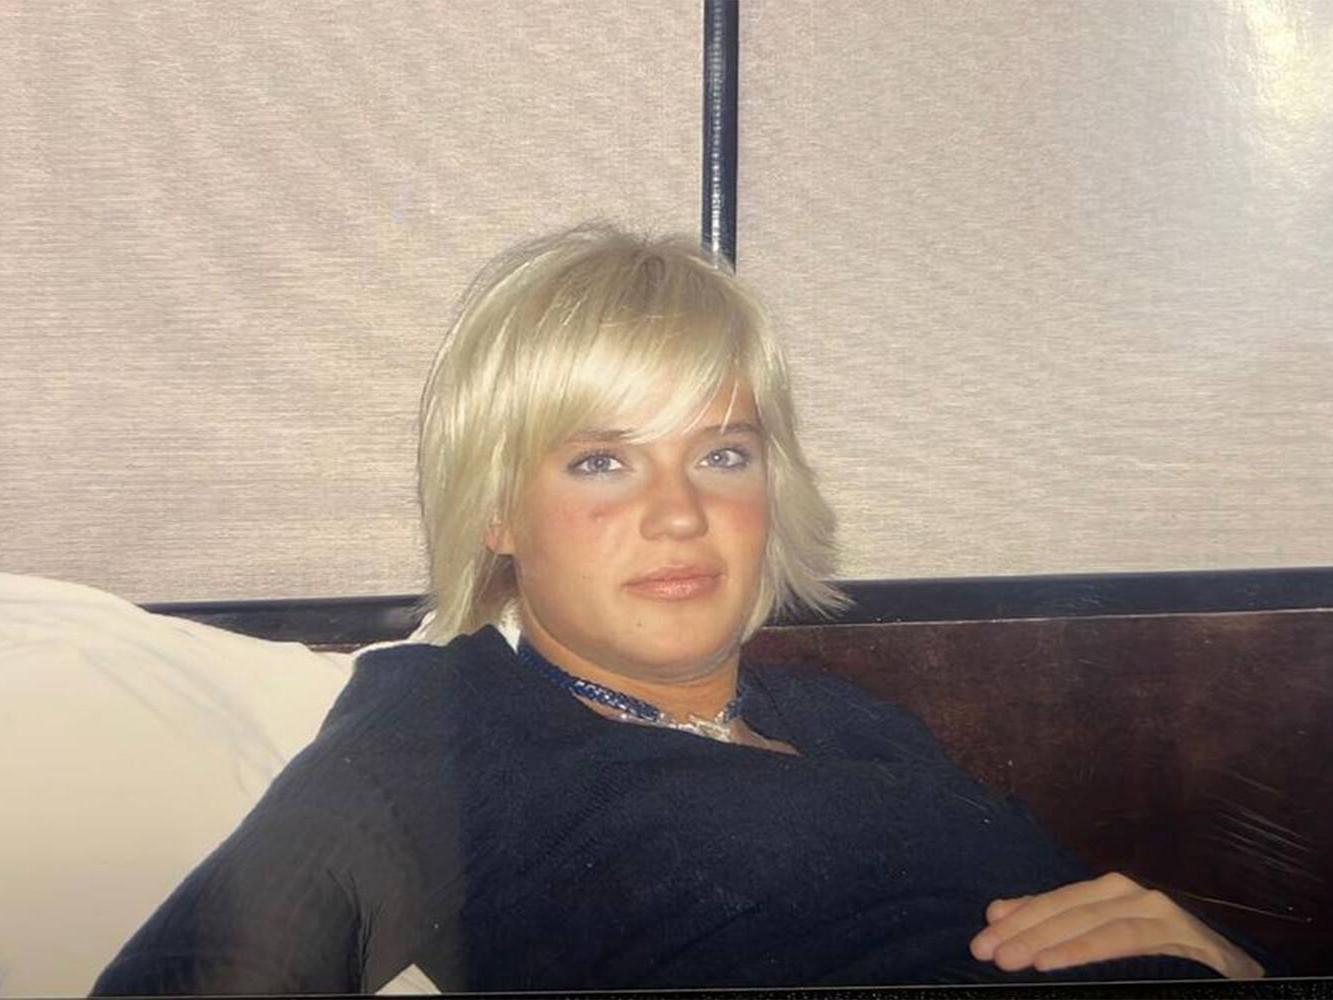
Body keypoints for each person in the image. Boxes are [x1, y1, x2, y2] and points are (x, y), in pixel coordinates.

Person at [93, 225, 1263, 993]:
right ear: (498, 510)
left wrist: (1229, 960)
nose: (678, 512)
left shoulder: (859, 726)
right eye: (601, 461)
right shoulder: (442, 726)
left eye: (721, 453)